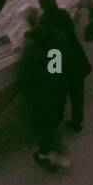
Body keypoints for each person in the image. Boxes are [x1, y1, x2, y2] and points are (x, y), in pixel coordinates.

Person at [19, 19, 71, 171]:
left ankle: (55, 158)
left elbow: (26, 74)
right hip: (56, 91)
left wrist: (28, 90)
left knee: (48, 127)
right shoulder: (57, 41)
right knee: (52, 124)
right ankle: (46, 154)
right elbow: (56, 70)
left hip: (42, 94)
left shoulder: (33, 48)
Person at [37, 0, 91, 132]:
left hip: (56, 58)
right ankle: (77, 121)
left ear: (42, 6)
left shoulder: (44, 20)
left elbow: (45, 42)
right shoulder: (64, 14)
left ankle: (56, 119)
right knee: (77, 93)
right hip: (74, 56)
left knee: (57, 91)